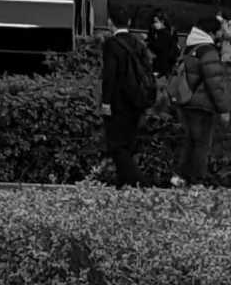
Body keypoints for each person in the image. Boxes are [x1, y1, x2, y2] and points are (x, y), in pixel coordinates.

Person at [169, 26, 231, 187]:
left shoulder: (190, 48)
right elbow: (215, 83)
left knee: (191, 140)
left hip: (187, 101)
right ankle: (197, 180)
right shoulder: (208, 51)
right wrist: (224, 108)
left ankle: (180, 176)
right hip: (203, 104)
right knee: (202, 143)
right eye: (218, 30)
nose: (221, 33)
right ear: (211, 32)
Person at [99, 18, 156, 186]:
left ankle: (139, 181)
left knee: (116, 145)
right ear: (129, 22)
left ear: (111, 23)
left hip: (118, 100)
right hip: (137, 99)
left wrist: (106, 101)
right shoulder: (137, 43)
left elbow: (110, 75)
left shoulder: (112, 44)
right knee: (128, 143)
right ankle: (123, 183)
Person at [147, 12, 178, 79]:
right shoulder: (167, 32)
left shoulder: (163, 33)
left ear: (162, 22)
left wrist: (148, 43)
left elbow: (158, 47)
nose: (154, 24)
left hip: (162, 67)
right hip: (166, 66)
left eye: (156, 22)